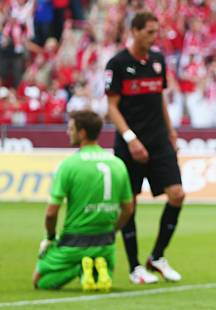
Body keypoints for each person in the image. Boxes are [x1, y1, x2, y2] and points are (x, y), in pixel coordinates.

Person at [105, 11, 185, 284]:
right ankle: (134, 266)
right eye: (149, 32)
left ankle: (157, 256)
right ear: (135, 31)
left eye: (156, 32)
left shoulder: (158, 61)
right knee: (130, 204)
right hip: (131, 144)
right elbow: (111, 108)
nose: (154, 37)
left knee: (177, 194)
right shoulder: (117, 63)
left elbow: (159, 99)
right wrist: (130, 138)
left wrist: (172, 132)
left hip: (159, 139)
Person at [33, 110, 134, 291]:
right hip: (105, 244)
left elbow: (51, 213)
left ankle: (79, 267)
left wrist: (49, 238)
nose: (67, 132)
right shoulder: (117, 164)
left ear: (82, 133)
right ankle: (97, 268)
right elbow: (128, 208)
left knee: (39, 281)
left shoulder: (69, 165)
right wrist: (112, 231)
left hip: (74, 242)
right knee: (100, 276)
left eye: (70, 128)